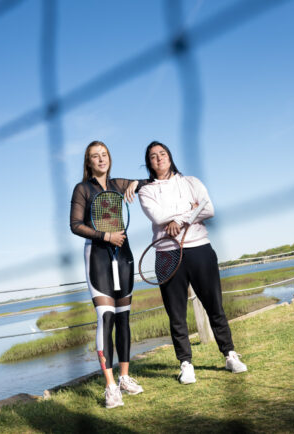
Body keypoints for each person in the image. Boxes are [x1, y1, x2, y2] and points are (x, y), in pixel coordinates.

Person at [138, 141, 247, 385]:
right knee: (176, 314)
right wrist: (190, 210)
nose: (158, 159)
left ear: (170, 156)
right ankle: (186, 364)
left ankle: (229, 354)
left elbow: (209, 208)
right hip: (167, 254)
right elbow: (157, 216)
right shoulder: (146, 190)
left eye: (162, 154)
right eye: (153, 156)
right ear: (149, 163)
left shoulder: (192, 182)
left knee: (214, 306)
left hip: (199, 249)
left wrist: (181, 218)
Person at [70, 140, 145, 408]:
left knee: (124, 318)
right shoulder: (82, 189)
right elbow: (75, 225)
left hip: (123, 254)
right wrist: (106, 235)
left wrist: (136, 183)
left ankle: (125, 377)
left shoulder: (118, 185)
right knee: (107, 317)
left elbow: (147, 182)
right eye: (94, 156)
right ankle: (111, 386)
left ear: (109, 158)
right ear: (88, 162)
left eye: (104, 155)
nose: (101, 159)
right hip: (98, 256)